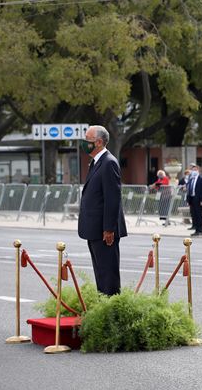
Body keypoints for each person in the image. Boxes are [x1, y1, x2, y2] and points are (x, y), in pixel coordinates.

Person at [77, 125, 127, 295]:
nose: (84, 143)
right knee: (100, 274)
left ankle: (112, 311)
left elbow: (112, 199)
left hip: (104, 232)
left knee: (108, 276)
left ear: (98, 142)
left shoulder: (108, 163)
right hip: (94, 229)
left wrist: (109, 229)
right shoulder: (96, 162)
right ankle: (103, 307)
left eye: (87, 139)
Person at [186, 163, 202, 237]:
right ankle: (195, 229)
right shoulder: (191, 179)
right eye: (192, 170)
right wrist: (188, 200)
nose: (193, 171)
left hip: (198, 199)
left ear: (198, 170)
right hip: (192, 199)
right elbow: (189, 189)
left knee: (199, 215)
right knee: (194, 214)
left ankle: (199, 230)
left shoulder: (201, 179)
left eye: (195, 170)